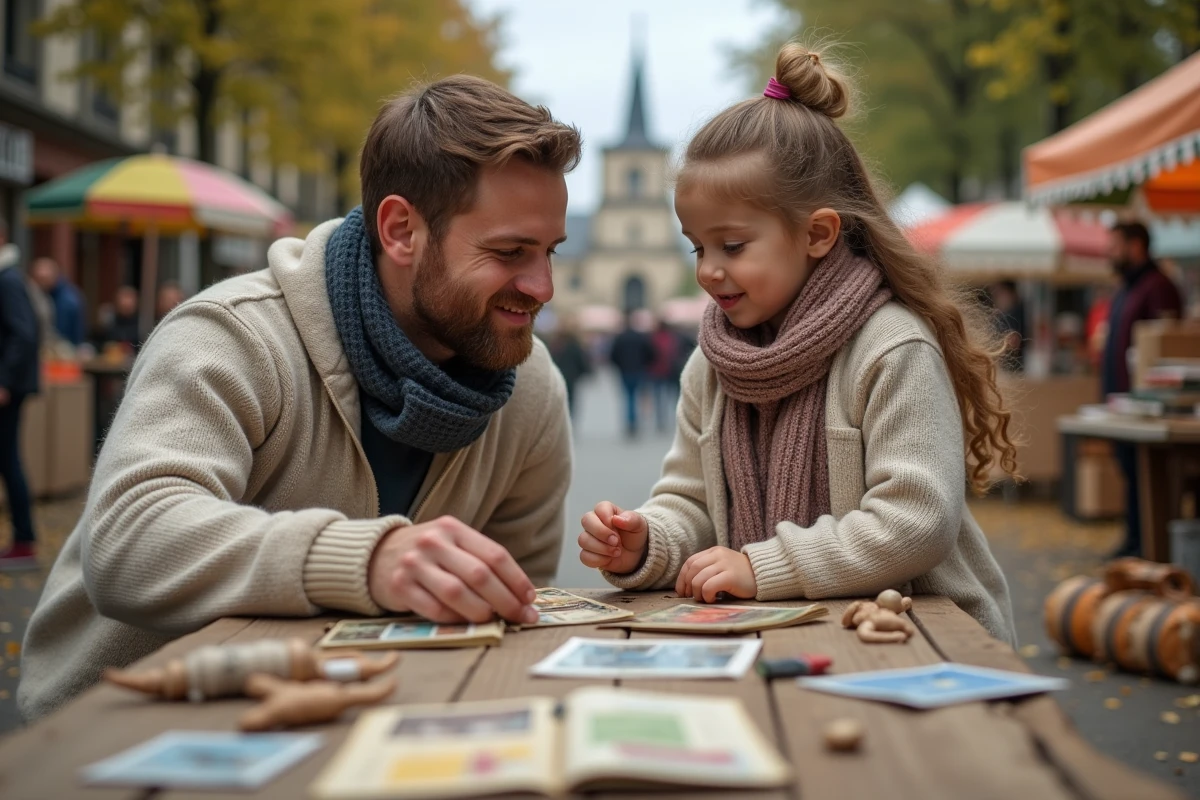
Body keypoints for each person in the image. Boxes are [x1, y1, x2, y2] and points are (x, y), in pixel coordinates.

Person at [19, 74, 583, 720]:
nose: (542, 287)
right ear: (401, 230)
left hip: (353, 718)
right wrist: (366, 560)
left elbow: (512, 613)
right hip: (116, 727)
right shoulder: (233, 335)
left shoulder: (531, 388)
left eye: (549, 252)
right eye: (510, 252)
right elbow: (129, 542)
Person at [576, 43, 1018, 644]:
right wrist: (647, 541)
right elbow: (694, 503)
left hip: (925, 639)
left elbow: (915, 520)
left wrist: (762, 566)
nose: (707, 270)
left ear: (817, 234)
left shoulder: (890, 348)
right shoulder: (711, 363)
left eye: (732, 246)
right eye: (697, 247)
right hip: (786, 634)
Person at [1101, 221, 1182, 560]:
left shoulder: (1158, 286)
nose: (1109, 252)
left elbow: (1167, 345)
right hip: (1122, 402)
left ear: (1136, 246)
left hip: (1147, 405)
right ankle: (1135, 538)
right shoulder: (1127, 288)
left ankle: (1147, 544)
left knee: (1145, 474)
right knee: (1130, 473)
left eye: (1115, 245)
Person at [0, 221, 41, 570]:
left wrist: (4, 381)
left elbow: (23, 334)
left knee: (9, 459)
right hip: (11, 385)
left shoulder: (8, 280)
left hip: (8, 389)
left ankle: (24, 540)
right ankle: (23, 539)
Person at [608, 312, 656, 438]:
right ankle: (634, 421)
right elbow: (650, 353)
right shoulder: (640, 337)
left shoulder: (620, 338)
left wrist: (620, 365)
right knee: (636, 396)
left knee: (628, 397)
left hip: (625, 371)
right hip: (638, 370)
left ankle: (630, 422)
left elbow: (613, 355)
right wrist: (644, 364)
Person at [30, 257, 86, 348]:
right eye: (37, 279)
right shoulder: (45, 295)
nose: (40, 284)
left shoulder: (66, 300)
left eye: (43, 279)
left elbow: (61, 332)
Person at [547, 319, 590, 421]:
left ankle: (560, 420)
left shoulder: (556, 343)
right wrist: (583, 372)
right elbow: (581, 361)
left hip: (556, 375)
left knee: (558, 400)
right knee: (570, 401)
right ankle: (567, 421)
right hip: (571, 377)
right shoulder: (575, 344)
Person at [648, 319, 685, 432]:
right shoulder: (673, 338)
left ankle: (660, 421)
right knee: (674, 396)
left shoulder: (653, 338)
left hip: (656, 371)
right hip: (671, 371)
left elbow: (648, 355)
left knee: (658, 398)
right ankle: (677, 418)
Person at [989, 280, 1025, 372]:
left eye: (1000, 294)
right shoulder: (1000, 316)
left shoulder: (1017, 314)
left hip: (1016, 367)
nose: (996, 298)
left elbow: (1013, 341)